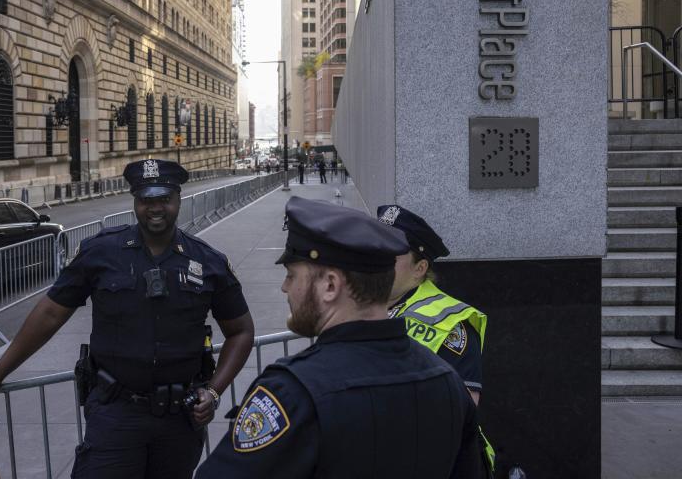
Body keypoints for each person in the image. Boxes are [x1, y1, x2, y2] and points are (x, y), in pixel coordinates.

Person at [0, 159, 255, 479]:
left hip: (180, 420)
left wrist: (214, 391)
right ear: (135, 202)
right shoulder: (101, 253)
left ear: (179, 199)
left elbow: (242, 331)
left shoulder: (207, 262)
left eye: (164, 199)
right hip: (115, 415)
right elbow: (51, 313)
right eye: (146, 200)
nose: (155, 209)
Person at [196, 197, 484, 479]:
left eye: (292, 275)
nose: (285, 287)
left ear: (330, 285)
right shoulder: (447, 382)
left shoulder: (292, 392)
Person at [377, 204, 494, 474]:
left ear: (419, 269)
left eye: (390, 254)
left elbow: (461, 412)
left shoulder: (450, 323)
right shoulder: (365, 304)